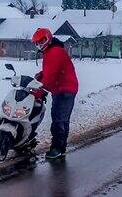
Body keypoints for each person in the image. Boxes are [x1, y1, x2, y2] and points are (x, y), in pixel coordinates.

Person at [31, 28, 78, 159]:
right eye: (37, 43)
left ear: (48, 39)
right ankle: (61, 147)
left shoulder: (54, 52)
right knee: (62, 118)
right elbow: (51, 70)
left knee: (59, 119)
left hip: (64, 89)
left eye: (42, 41)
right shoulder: (51, 51)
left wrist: (40, 91)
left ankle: (57, 148)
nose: (40, 45)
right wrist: (41, 75)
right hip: (63, 87)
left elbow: (51, 76)